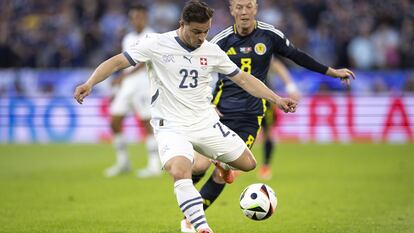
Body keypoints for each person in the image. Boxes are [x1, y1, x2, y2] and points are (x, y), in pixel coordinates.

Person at [74, 1, 297, 233]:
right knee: (180, 171)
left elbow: (243, 79)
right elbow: (118, 61)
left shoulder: (211, 50)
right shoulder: (157, 43)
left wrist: (277, 99)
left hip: (205, 122)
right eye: (196, 32)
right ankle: (200, 227)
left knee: (248, 164)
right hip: (170, 125)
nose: (202, 37)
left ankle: (221, 164)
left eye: (206, 31)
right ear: (182, 24)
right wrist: (90, 83)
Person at [180, 0, 355, 232]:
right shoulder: (220, 40)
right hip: (219, 112)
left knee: (225, 172)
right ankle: (187, 200)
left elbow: (298, 56)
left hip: (251, 116)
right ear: (231, 10)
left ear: (256, 8)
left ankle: (191, 220)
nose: (244, 11)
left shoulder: (269, 36)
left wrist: (331, 72)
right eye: (239, 7)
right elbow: (199, 72)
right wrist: (206, 104)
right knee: (198, 166)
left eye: (249, 6)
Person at [104, 4, 161, 178]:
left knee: (146, 123)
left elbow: (144, 61)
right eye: (134, 17)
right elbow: (124, 60)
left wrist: (123, 76)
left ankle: (154, 165)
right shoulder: (128, 38)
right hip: (127, 86)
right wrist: (121, 80)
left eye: (140, 17)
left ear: (146, 18)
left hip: (144, 84)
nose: (137, 20)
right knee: (114, 121)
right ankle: (123, 162)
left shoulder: (153, 36)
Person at [258, 58, 301, 180]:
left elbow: (276, 65)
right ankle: (234, 166)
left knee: (267, 132)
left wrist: (291, 87)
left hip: (266, 98)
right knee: (239, 131)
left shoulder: (261, 46)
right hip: (240, 98)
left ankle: (266, 166)